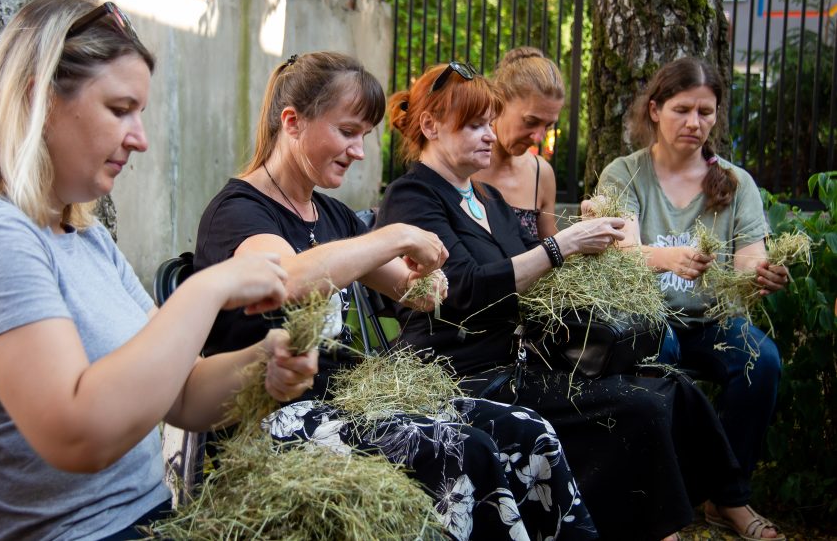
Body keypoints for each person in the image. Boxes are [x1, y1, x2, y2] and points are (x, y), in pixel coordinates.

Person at [0, 0, 319, 540]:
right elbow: (80, 437)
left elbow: (182, 394)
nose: (140, 138)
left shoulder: (84, 235)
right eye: (120, 109)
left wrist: (264, 365)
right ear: (37, 100)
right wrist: (208, 288)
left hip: (150, 523)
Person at [194, 51, 598, 540]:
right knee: (464, 448)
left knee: (528, 431)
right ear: (292, 123)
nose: (359, 150)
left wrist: (429, 281)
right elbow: (291, 279)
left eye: (363, 135)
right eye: (347, 132)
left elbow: (410, 289)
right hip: (277, 416)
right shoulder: (240, 212)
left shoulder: (330, 214)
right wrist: (394, 235)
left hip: (348, 399)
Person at [377, 60, 783, 541]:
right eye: (474, 125)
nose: (490, 135)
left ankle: (723, 502)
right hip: (464, 371)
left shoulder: (485, 199)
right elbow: (465, 290)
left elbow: (542, 282)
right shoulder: (413, 197)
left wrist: (593, 244)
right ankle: (658, 532)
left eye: (490, 122)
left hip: (526, 361)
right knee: (640, 407)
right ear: (430, 126)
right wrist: (561, 247)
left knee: (675, 389)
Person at [596, 57, 787, 541]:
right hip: (648, 318)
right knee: (660, 362)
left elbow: (747, 256)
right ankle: (664, 505)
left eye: (706, 111)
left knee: (760, 361)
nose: (695, 122)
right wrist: (667, 258)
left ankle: (729, 498)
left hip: (714, 319)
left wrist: (759, 273)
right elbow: (621, 251)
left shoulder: (735, 182)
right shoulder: (625, 174)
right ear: (655, 110)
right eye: (683, 109)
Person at [474, 47, 562, 239]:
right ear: (500, 100)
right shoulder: (463, 167)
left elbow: (554, 254)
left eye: (548, 125)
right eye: (530, 122)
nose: (538, 137)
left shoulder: (541, 173)